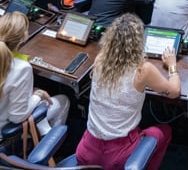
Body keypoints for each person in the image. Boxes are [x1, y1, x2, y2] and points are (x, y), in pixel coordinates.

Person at [75, 14, 177, 170]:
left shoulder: (100, 59)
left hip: (86, 152)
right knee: (164, 131)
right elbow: (175, 91)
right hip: (118, 157)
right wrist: (172, 65)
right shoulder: (143, 70)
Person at [0, 12, 69, 146]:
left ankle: (39, 132)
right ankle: (46, 146)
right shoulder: (22, 68)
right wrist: (38, 95)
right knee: (63, 100)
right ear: (24, 36)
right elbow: (17, 116)